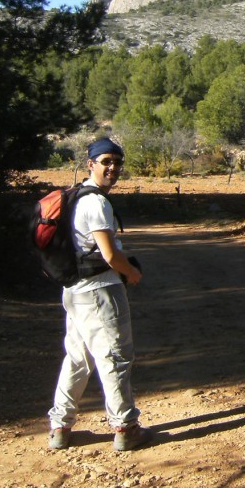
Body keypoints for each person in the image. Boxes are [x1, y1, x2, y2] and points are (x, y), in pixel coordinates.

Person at [47, 138, 153, 451]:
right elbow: (109, 255)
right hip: (100, 291)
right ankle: (125, 426)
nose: (113, 168)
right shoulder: (96, 203)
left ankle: (60, 426)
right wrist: (130, 272)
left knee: (78, 358)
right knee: (116, 358)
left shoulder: (76, 196)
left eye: (117, 162)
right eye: (106, 161)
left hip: (76, 291)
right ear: (90, 162)